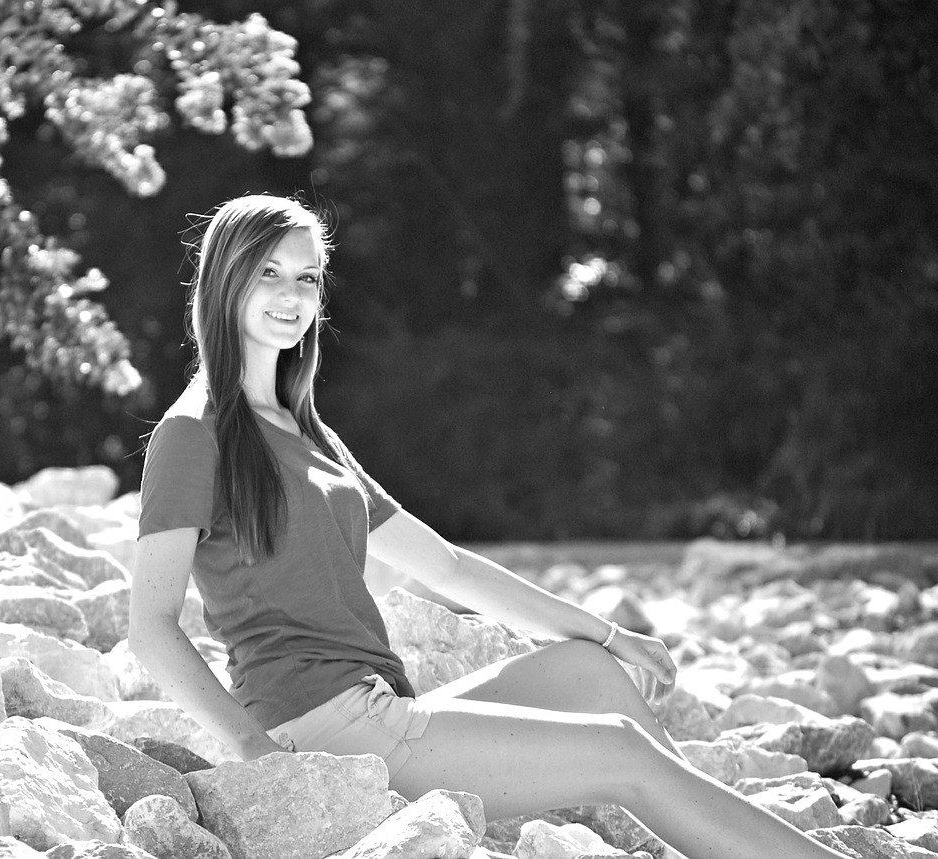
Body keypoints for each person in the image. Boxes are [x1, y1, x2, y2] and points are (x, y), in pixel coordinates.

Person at [129, 193, 849, 859]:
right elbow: (151, 627)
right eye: (270, 274)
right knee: (619, 750)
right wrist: (257, 753)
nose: (293, 297)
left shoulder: (304, 428)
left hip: (384, 708)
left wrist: (608, 631)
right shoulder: (194, 433)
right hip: (324, 731)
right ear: (225, 281)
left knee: (585, 668)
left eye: (308, 278)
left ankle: (715, 831)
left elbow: (446, 566)